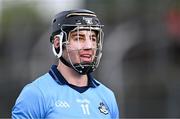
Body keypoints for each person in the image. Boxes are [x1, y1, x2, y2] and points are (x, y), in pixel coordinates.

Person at [12, 9, 119, 119]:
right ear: (58, 43)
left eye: (92, 38)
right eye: (79, 38)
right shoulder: (35, 94)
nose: (89, 46)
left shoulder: (107, 96)